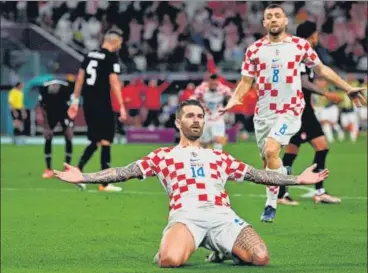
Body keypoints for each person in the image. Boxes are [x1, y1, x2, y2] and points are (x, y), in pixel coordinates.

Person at [54, 99, 328, 268]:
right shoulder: (163, 156)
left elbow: (259, 175)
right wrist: (84, 177)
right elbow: (123, 172)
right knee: (170, 261)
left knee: (260, 257)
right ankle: (185, 244)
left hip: (222, 217)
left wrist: (296, 179)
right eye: (189, 116)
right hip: (187, 218)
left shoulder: (218, 156)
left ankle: (220, 248)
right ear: (178, 122)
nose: (195, 120)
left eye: (199, 116)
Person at [219, 4, 366, 223]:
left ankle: (271, 203)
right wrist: (233, 99)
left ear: (286, 21)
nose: (274, 20)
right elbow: (245, 82)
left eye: (278, 16)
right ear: (264, 23)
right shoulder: (254, 49)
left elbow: (322, 69)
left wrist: (346, 87)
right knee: (268, 162)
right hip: (264, 114)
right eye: (269, 17)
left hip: (290, 110)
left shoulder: (300, 45)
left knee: (271, 151)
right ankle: (276, 190)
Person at [278, 21, 343, 206]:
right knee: (321, 147)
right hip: (301, 111)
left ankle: (282, 193)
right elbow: (303, 82)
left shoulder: (296, 53)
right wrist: (326, 93)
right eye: (316, 35)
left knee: (291, 151)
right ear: (313, 35)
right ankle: (319, 192)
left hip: (298, 108)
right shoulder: (302, 54)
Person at [68, 28, 127, 192]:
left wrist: (75, 100)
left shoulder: (90, 54)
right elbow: (114, 82)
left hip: (88, 104)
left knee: (95, 140)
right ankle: (104, 183)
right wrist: (122, 106)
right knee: (106, 140)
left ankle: (77, 172)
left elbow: (80, 78)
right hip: (102, 103)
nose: (119, 47)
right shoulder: (111, 58)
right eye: (119, 44)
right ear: (114, 42)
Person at [38, 79, 74, 178]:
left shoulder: (67, 90)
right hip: (51, 113)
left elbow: (72, 108)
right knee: (48, 137)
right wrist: (46, 126)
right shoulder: (44, 91)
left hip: (64, 112)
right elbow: (43, 109)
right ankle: (48, 169)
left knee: (68, 137)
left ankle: (67, 168)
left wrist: (70, 124)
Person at [192, 73, 232, 151]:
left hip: (218, 119)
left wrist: (227, 106)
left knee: (218, 144)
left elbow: (231, 98)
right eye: (211, 83)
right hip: (205, 119)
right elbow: (192, 99)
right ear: (208, 81)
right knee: (203, 144)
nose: (213, 85)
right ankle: (205, 161)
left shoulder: (224, 89)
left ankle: (217, 161)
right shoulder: (201, 89)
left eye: (215, 83)